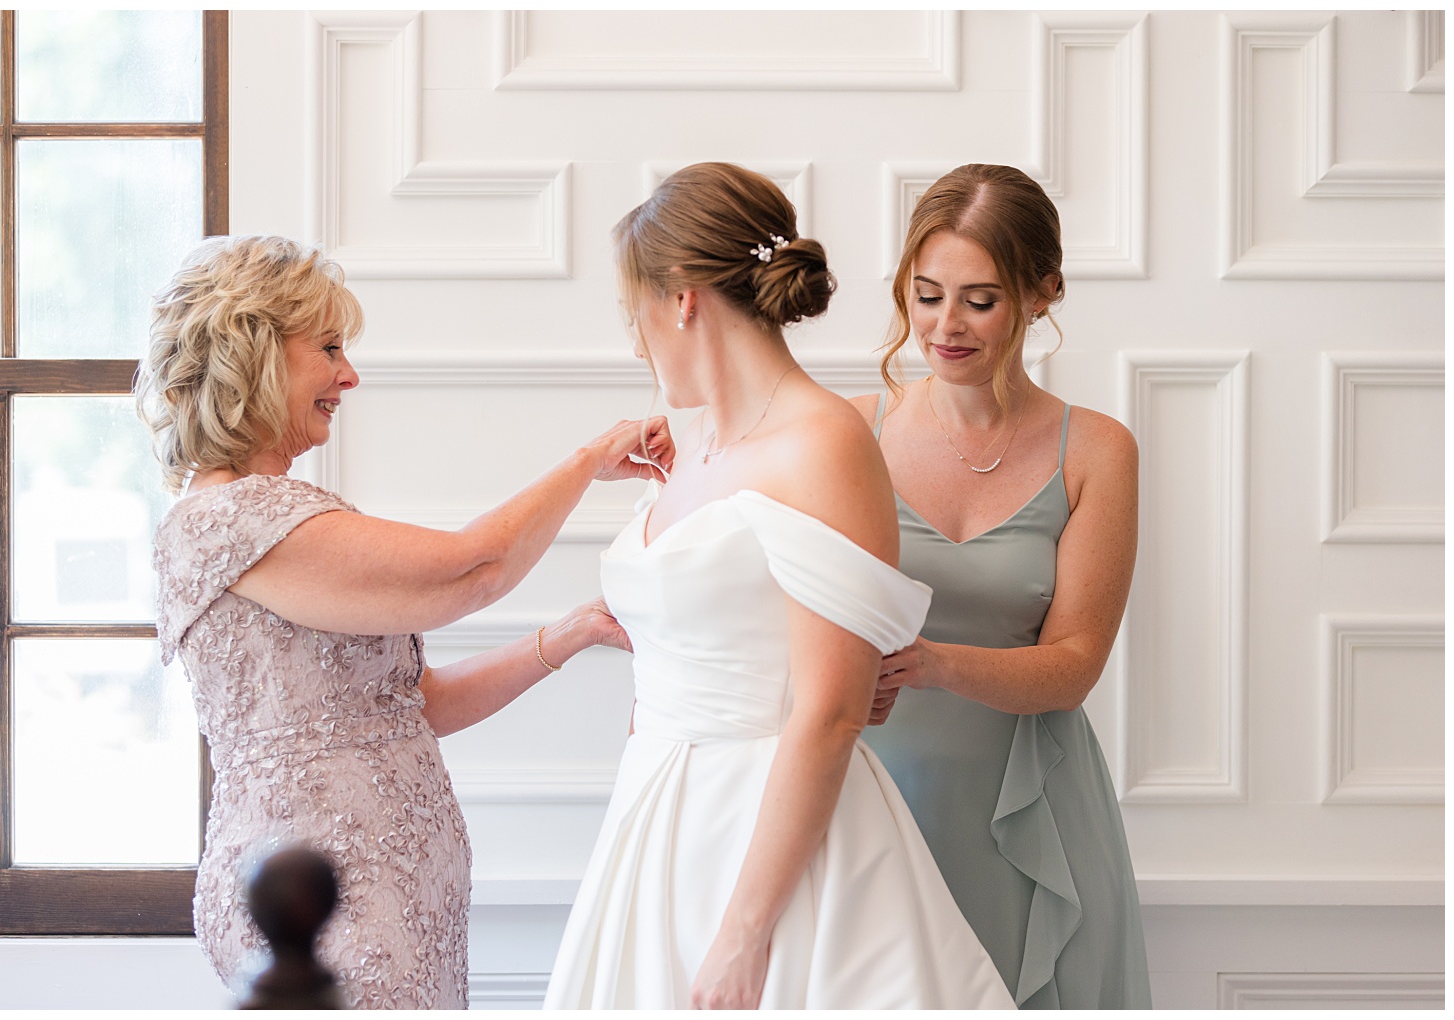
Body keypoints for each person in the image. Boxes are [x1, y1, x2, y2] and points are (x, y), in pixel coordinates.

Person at [135, 235, 674, 1009]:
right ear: (255, 353)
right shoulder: (233, 520)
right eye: (327, 348)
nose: (348, 375)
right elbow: (471, 569)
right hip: (322, 895)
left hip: (385, 891)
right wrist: (589, 459)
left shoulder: (268, 518)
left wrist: (568, 633)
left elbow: (414, 707)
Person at [543, 163, 1013, 1009]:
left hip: (773, 836)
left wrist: (744, 934)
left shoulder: (823, 443)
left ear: (681, 300)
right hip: (656, 827)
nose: (635, 341)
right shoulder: (684, 451)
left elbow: (832, 710)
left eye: (633, 316)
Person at [852, 163, 1150, 1008]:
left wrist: (935, 663)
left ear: (1042, 293)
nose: (946, 326)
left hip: (1029, 812)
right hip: (872, 796)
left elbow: (1076, 663)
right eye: (926, 293)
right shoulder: (846, 433)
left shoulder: (1097, 450)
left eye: (979, 300)